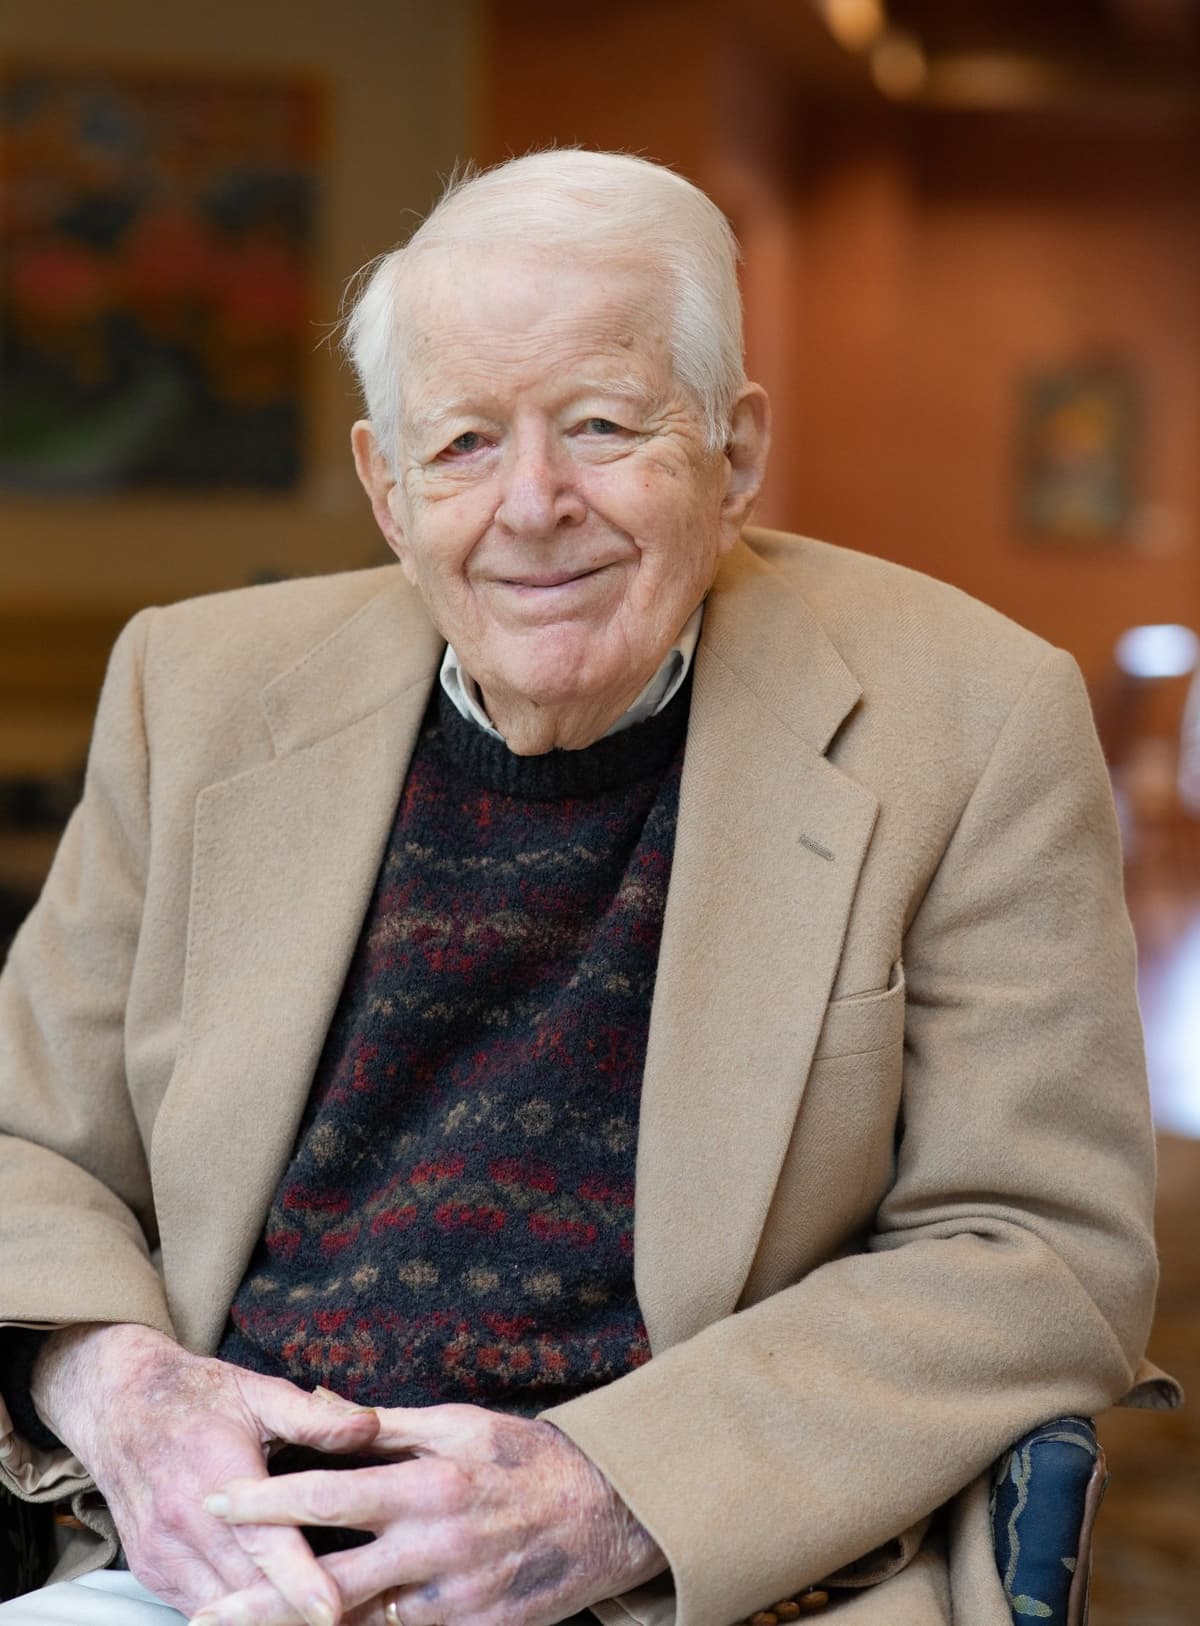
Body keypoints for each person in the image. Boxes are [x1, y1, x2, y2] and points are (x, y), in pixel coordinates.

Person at [0, 151, 1172, 1626]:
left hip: (692, 1576)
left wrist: (606, 1492)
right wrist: (126, 1392)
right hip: (225, 1563)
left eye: (604, 426)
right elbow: (22, 1142)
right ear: (385, 484)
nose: (533, 503)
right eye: (467, 442)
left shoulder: (974, 717)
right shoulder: (195, 687)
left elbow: (1042, 1251)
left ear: (736, 454)